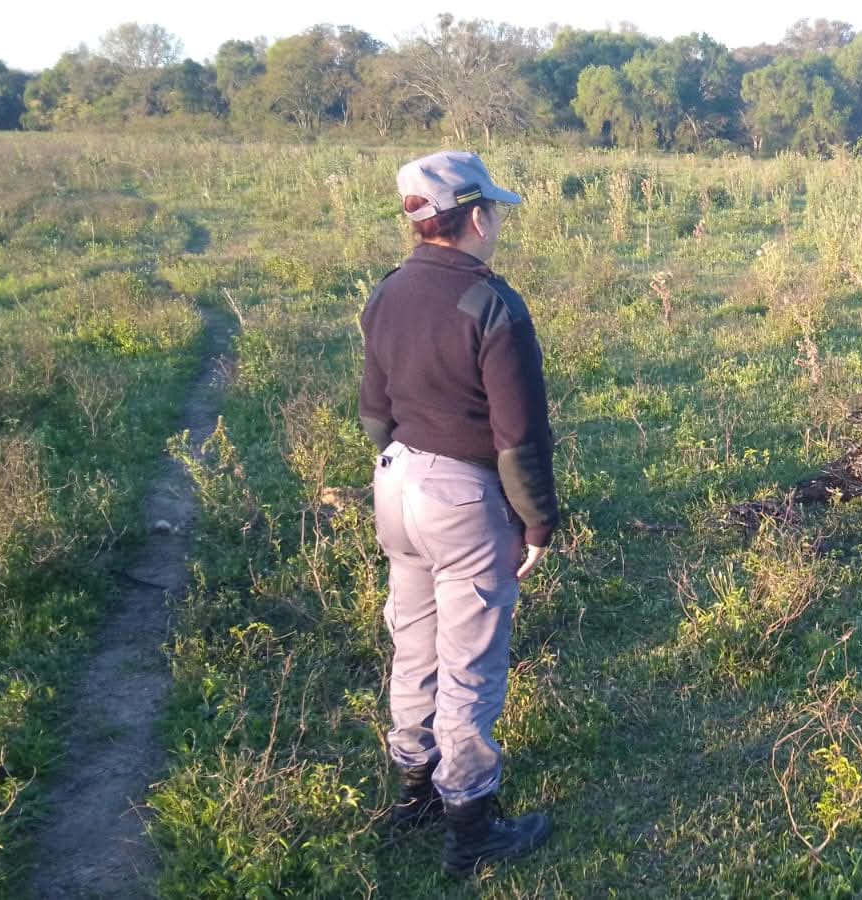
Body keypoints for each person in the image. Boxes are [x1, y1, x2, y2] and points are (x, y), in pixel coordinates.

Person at [359, 150, 558, 873]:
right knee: (470, 661)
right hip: (462, 496)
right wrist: (536, 522)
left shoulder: (385, 295)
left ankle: (415, 790)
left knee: (413, 642)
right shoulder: (492, 302)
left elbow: (375, 413)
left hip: (396, 484)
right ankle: (471, 826)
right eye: (494, 210)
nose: (497, 221)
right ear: (476, 217)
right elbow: (518, 435)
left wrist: (408, 464)